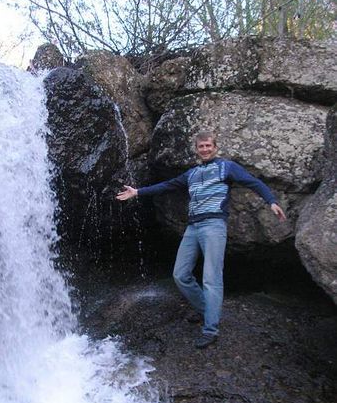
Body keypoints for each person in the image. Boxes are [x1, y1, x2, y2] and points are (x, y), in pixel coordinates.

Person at [116, 130, 286, 349]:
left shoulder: (227, 167)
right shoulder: (192, 173)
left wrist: (271, 201)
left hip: (214, 225)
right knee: (180, 274)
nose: (205, 149)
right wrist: (137, 192)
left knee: (211, 278)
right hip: (193, 227)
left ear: (215, 147)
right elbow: (166, 186)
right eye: (201, 146)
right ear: (197, 149)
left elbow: (254, 183)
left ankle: (210, 329)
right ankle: (206, 310)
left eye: (208, 146)